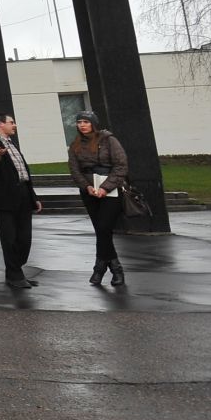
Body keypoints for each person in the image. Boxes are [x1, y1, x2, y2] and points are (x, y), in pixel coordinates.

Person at [0, 112, 43, 289]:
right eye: (11, 122)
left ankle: (14, 271)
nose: (14, 125)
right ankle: (15, 276)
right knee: (9, 238)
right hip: (5, 198)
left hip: (24, 195)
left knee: (25, 239)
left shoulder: (13, 144)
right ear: (1, 124)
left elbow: (23, 172)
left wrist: (33, 197)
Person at [68, 110, 128, 287]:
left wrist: (105, 188)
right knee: (102, 231)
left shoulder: (109, 140)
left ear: (93, 123)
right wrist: (86, 187)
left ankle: (103, 268)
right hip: (89, 191)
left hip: (110, 190)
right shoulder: (75, 145)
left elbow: (121, 165)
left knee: (103, 227)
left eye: (86, 122)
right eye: (79, 122)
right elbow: (74, 170)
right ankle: (110, 267)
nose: (82, 125)